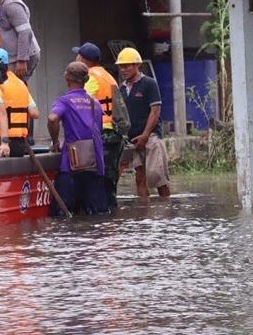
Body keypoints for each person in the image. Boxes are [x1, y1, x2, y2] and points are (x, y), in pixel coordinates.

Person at [73, 42, 131, 207]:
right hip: (114, 134)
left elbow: (80, 102)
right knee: (109, 180)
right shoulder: (107, 75)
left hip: (105, 134)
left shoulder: (91, 76)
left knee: (101, 180)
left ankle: (104, 218)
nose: (76, 58)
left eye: (78, 55)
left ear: (83, 59)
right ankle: (111, 217)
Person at [47, 62, 107, 215]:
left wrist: (55, 142)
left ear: (67, 77)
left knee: (61, 215)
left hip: (72, 165)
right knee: (96, 215)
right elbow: (98, 129)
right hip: (95, 164)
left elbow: (53, 119)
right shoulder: (95, 103)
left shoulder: (65, 101)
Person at [116, 47, 171, 199]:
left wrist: (146, 135)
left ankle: (165, 211)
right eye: (121, 66)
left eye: (126, 66)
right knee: (139, 177)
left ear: (136, 65)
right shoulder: (121, 89)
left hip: (151, 137)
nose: (123, 70)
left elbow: (155, 111)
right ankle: (143, 212)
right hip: (133, 139)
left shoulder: (149, 84)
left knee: (158, 177)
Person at [0, 47, 40, 158]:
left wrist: (4, 143)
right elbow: (34, 113)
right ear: (7, 65)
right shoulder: (20, 84)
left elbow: (2, 114)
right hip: (19, 144)